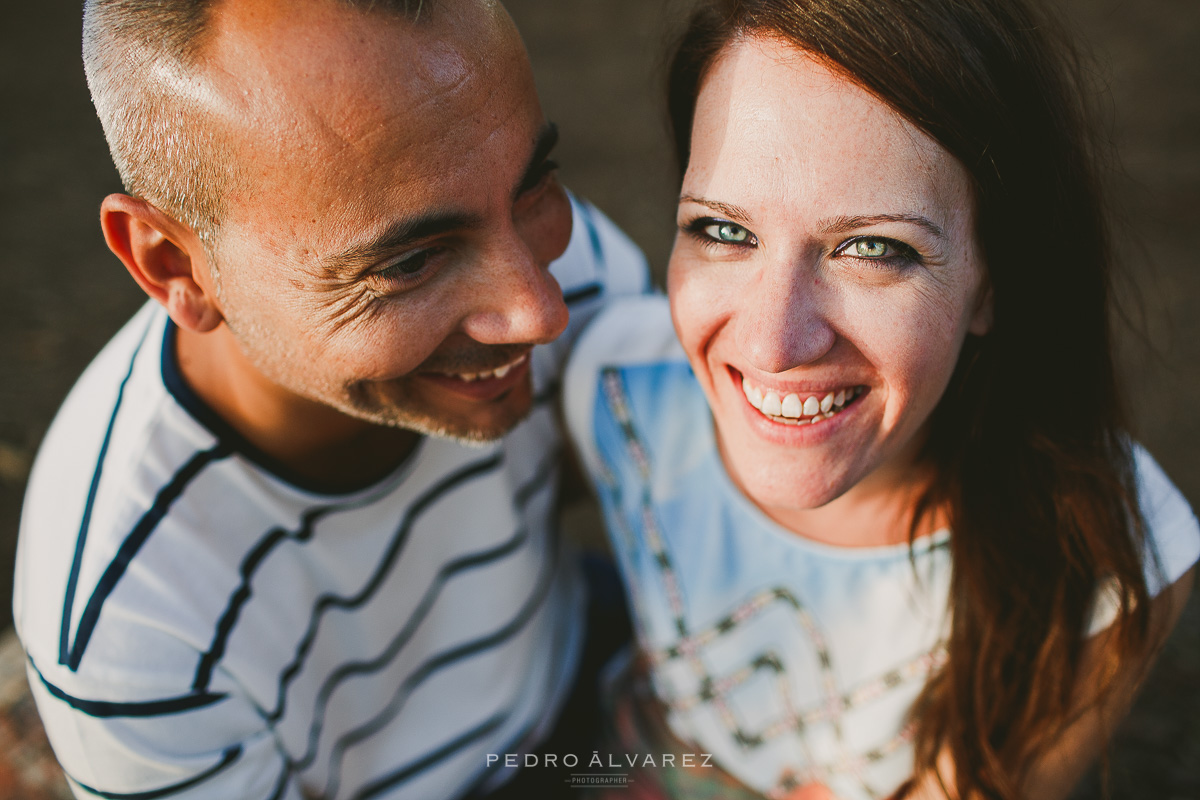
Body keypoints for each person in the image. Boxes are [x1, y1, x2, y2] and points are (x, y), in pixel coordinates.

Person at [563, 0, 1199, 798]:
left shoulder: (1105, 550)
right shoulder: (620, 392)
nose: (771, 345)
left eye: (874, 248)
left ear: (993, 282)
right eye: (724, 230)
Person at [13, 0, 648, 798]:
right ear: (175, 265)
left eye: (535, 187)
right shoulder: (132, 621)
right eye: (410, 263)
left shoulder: (561, 259)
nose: (541, 311)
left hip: (576, 669)